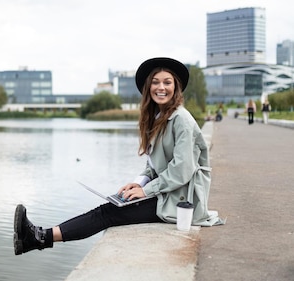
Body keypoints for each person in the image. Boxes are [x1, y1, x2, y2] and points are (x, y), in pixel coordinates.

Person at [13, 57, 224, 255]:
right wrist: (137, 184)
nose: (161, 88)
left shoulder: (182, 120)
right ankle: (38, 237)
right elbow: (154, 166)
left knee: (108, 213)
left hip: (180, 201)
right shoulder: (159, 117)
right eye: (156, 82)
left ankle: (39, 238)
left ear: (175, 87)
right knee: (114, 205)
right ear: (148, 87)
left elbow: (182, 170)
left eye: (167, 83)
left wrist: (146, 190)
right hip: (167, 192)